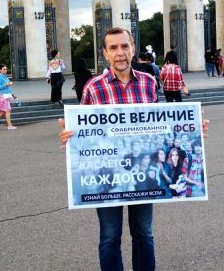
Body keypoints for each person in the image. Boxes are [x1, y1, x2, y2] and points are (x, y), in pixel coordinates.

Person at [57, 27, 210, 271]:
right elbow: (82, 133)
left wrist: (192, 128)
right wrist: (69, 136)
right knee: (109, 236)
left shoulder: (149, 83)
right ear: (105, 53)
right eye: (113, 48)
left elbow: (163, 126)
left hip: (143, 175)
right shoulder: (93, 88)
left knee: (144, 234)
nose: (120, 53)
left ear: (133, 49)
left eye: (124, 46)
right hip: (108, 175)